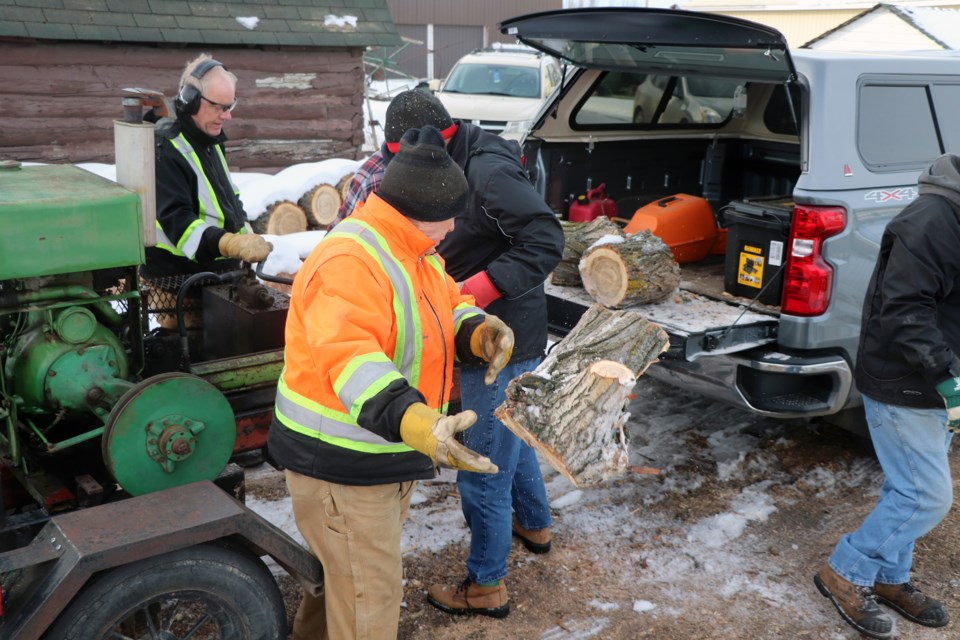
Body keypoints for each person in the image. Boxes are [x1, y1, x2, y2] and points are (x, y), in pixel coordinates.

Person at [266, 125, 515, 640]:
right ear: (416, 211)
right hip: (340, 467)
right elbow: (355, 362)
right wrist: (422, 425)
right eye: (448, 218)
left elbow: (445, 304)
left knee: (341, 583)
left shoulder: (412, 250)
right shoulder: (350, 262)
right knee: (368, 602)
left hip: (377, 456)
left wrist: (479, 331)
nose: (452, 229)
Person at [338, 89, 565, 618]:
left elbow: (546, 236)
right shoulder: (455, 155)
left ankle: (487, 586)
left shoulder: (486, 174)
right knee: (512, 433)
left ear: (436, 139)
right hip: (478, 322)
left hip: (496, 334)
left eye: (400, 154)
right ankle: (534, 523)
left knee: (481, 463)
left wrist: (480, 290)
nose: (395, 164)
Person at [814, 153, 960, 640]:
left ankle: (890, 577)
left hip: (935, 378)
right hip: (907, 380)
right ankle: (845, 569)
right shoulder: (933, 219)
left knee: (908, 488)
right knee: (927, 497)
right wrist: (946, 375)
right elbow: (903, 308)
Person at [143, 53, 271, 282]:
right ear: (190, 100)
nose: (227, 116)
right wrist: (228, 243)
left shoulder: (210, 140)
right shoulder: (164, 147)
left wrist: (243, 230)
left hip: (217, 272)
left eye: (230, 106)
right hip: (180, 279)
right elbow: (179, 222)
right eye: (219, 107)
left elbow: (227, 196)